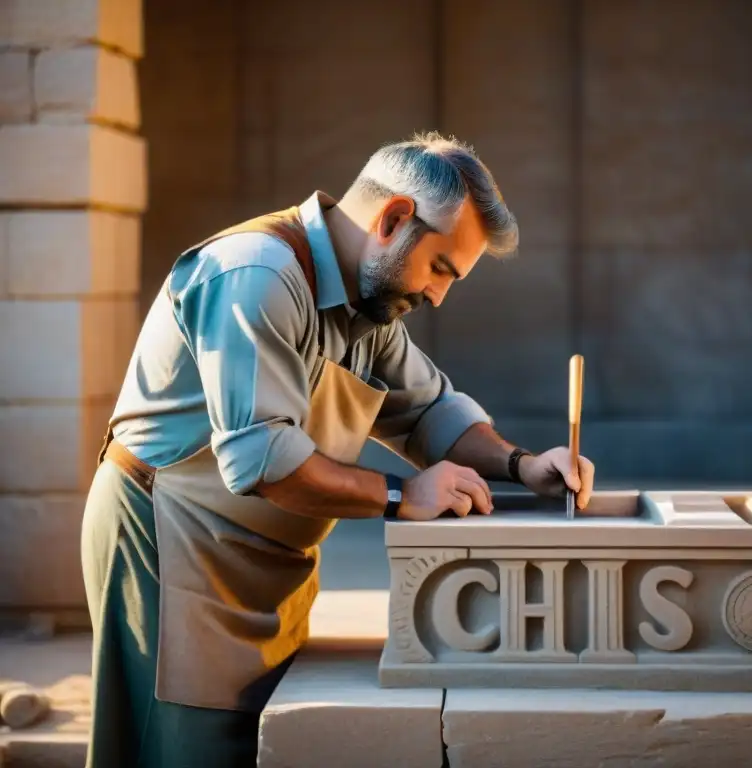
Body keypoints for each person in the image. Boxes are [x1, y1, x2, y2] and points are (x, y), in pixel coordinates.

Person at [81, 131, 596, 767]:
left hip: (265, 563)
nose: (438, 295)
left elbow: (430, 411)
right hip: (170, 547)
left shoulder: (370, 308)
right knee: (186, 749)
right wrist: (402, 495)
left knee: (253, 747)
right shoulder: (256, 276)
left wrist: (525, 466)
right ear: (394, 218)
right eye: (440, 268)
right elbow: (262, 458)